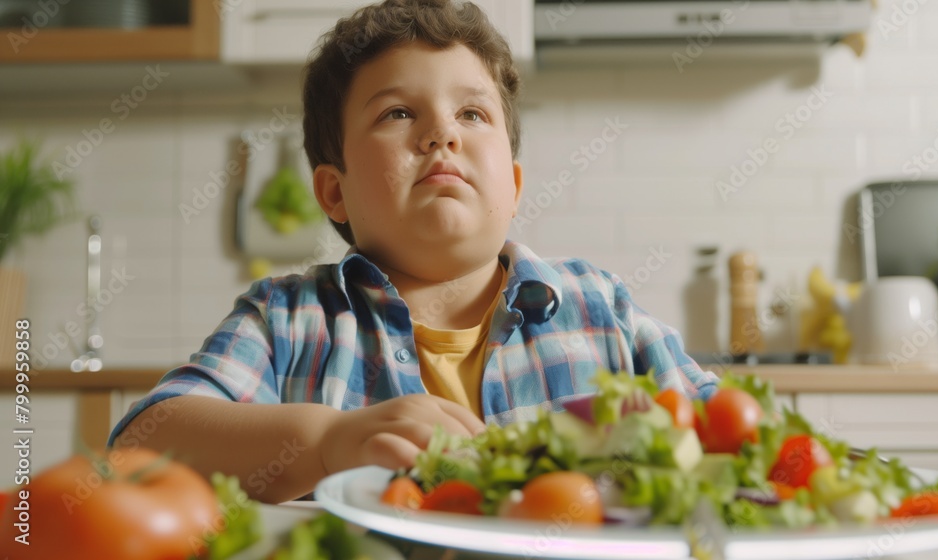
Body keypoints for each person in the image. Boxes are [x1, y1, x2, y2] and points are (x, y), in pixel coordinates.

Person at [109, 0, 717, 504]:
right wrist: (327, 442)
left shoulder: (599, 307)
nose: (441, 133)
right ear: (334, 190)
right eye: (398, 112)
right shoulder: (289, 319)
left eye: (472, 113)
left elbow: (730, 436)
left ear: (514, 183)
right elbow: (141, 444)